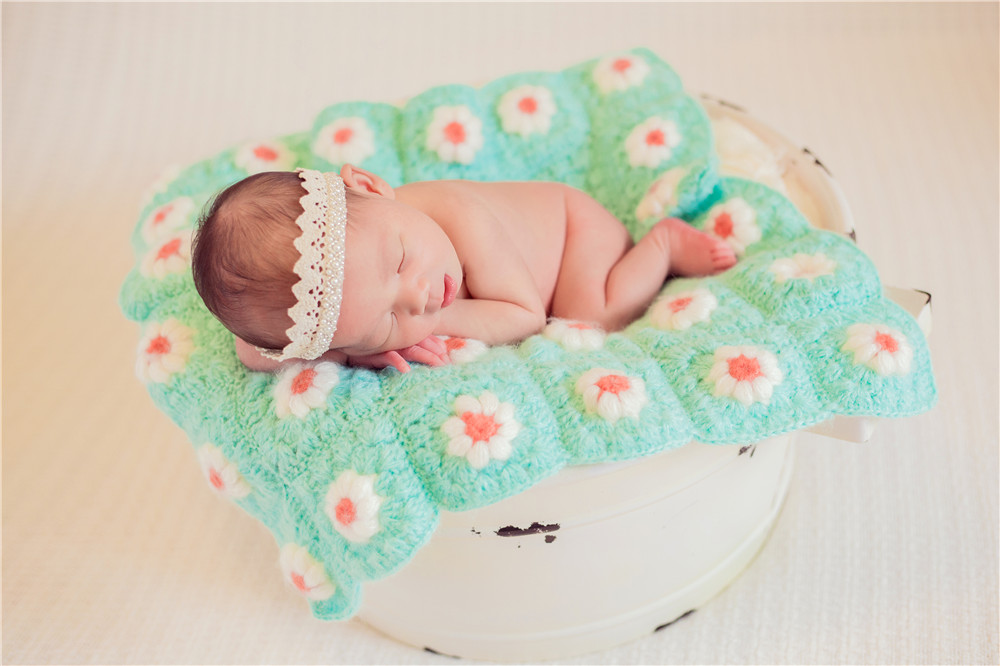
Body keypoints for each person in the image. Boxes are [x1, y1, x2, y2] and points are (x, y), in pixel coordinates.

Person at [191, 166, 736, 373]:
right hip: (554, 250)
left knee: (588, 317)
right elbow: (254, 349)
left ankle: (662, 246)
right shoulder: (354, 287)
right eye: (386, 319)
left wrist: (409, 332)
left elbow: (525, 316)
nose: (419, 297)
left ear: (372, 186)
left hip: (575, 235)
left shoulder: (457, 216)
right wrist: (352, 349)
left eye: (401, 262)